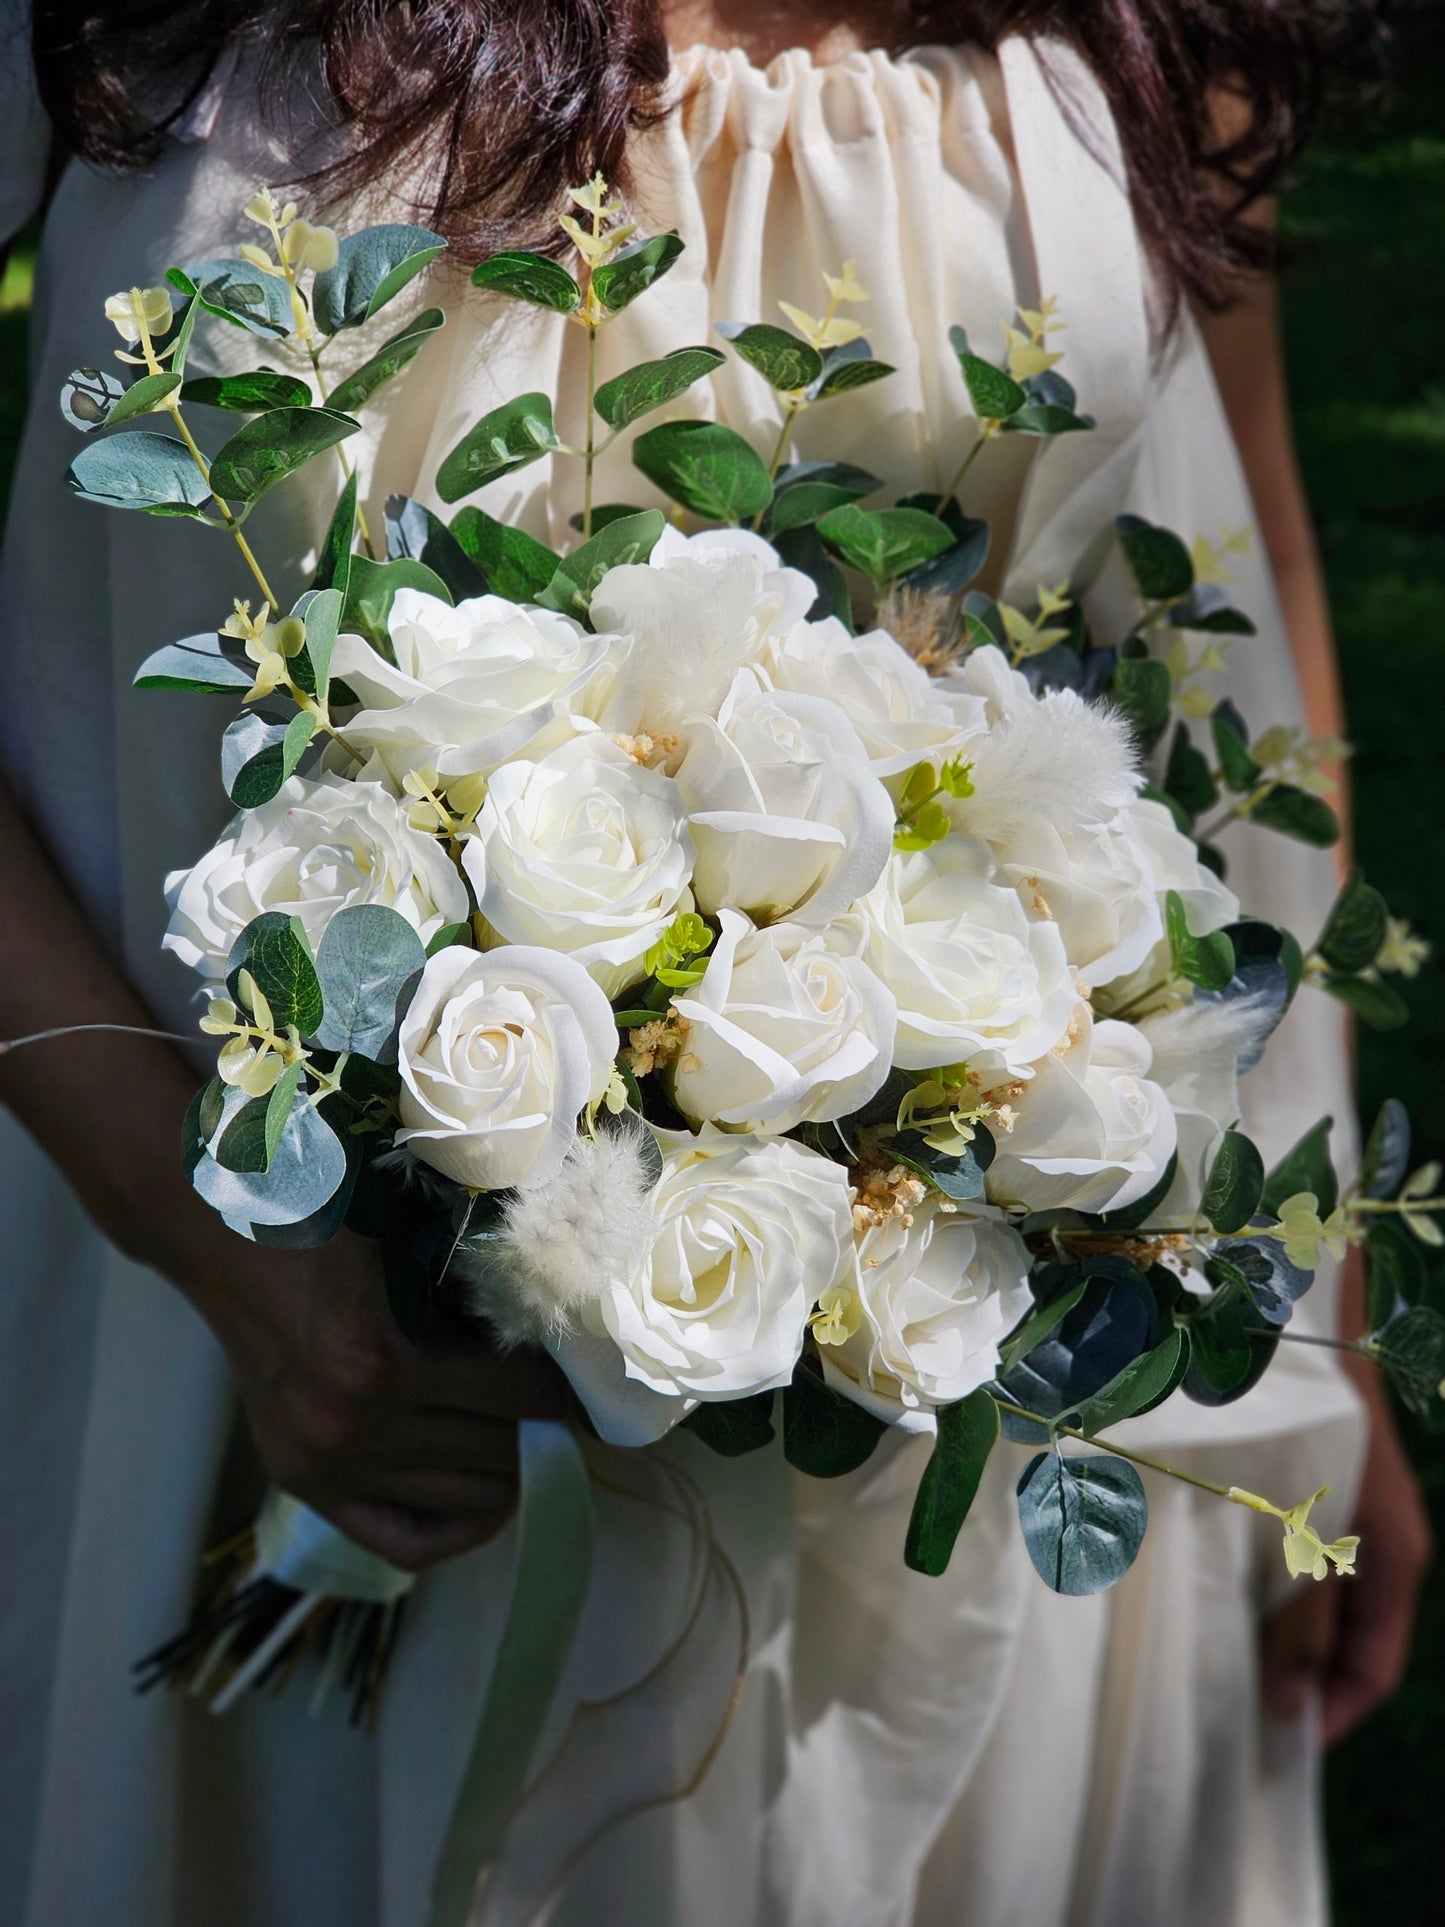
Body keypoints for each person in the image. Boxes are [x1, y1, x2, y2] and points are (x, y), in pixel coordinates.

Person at [0, 0, 1430, 1921]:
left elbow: (1237, 590)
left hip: (950, 1397)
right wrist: (219, 1254)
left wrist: (1299, 1339)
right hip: (249, 1367)